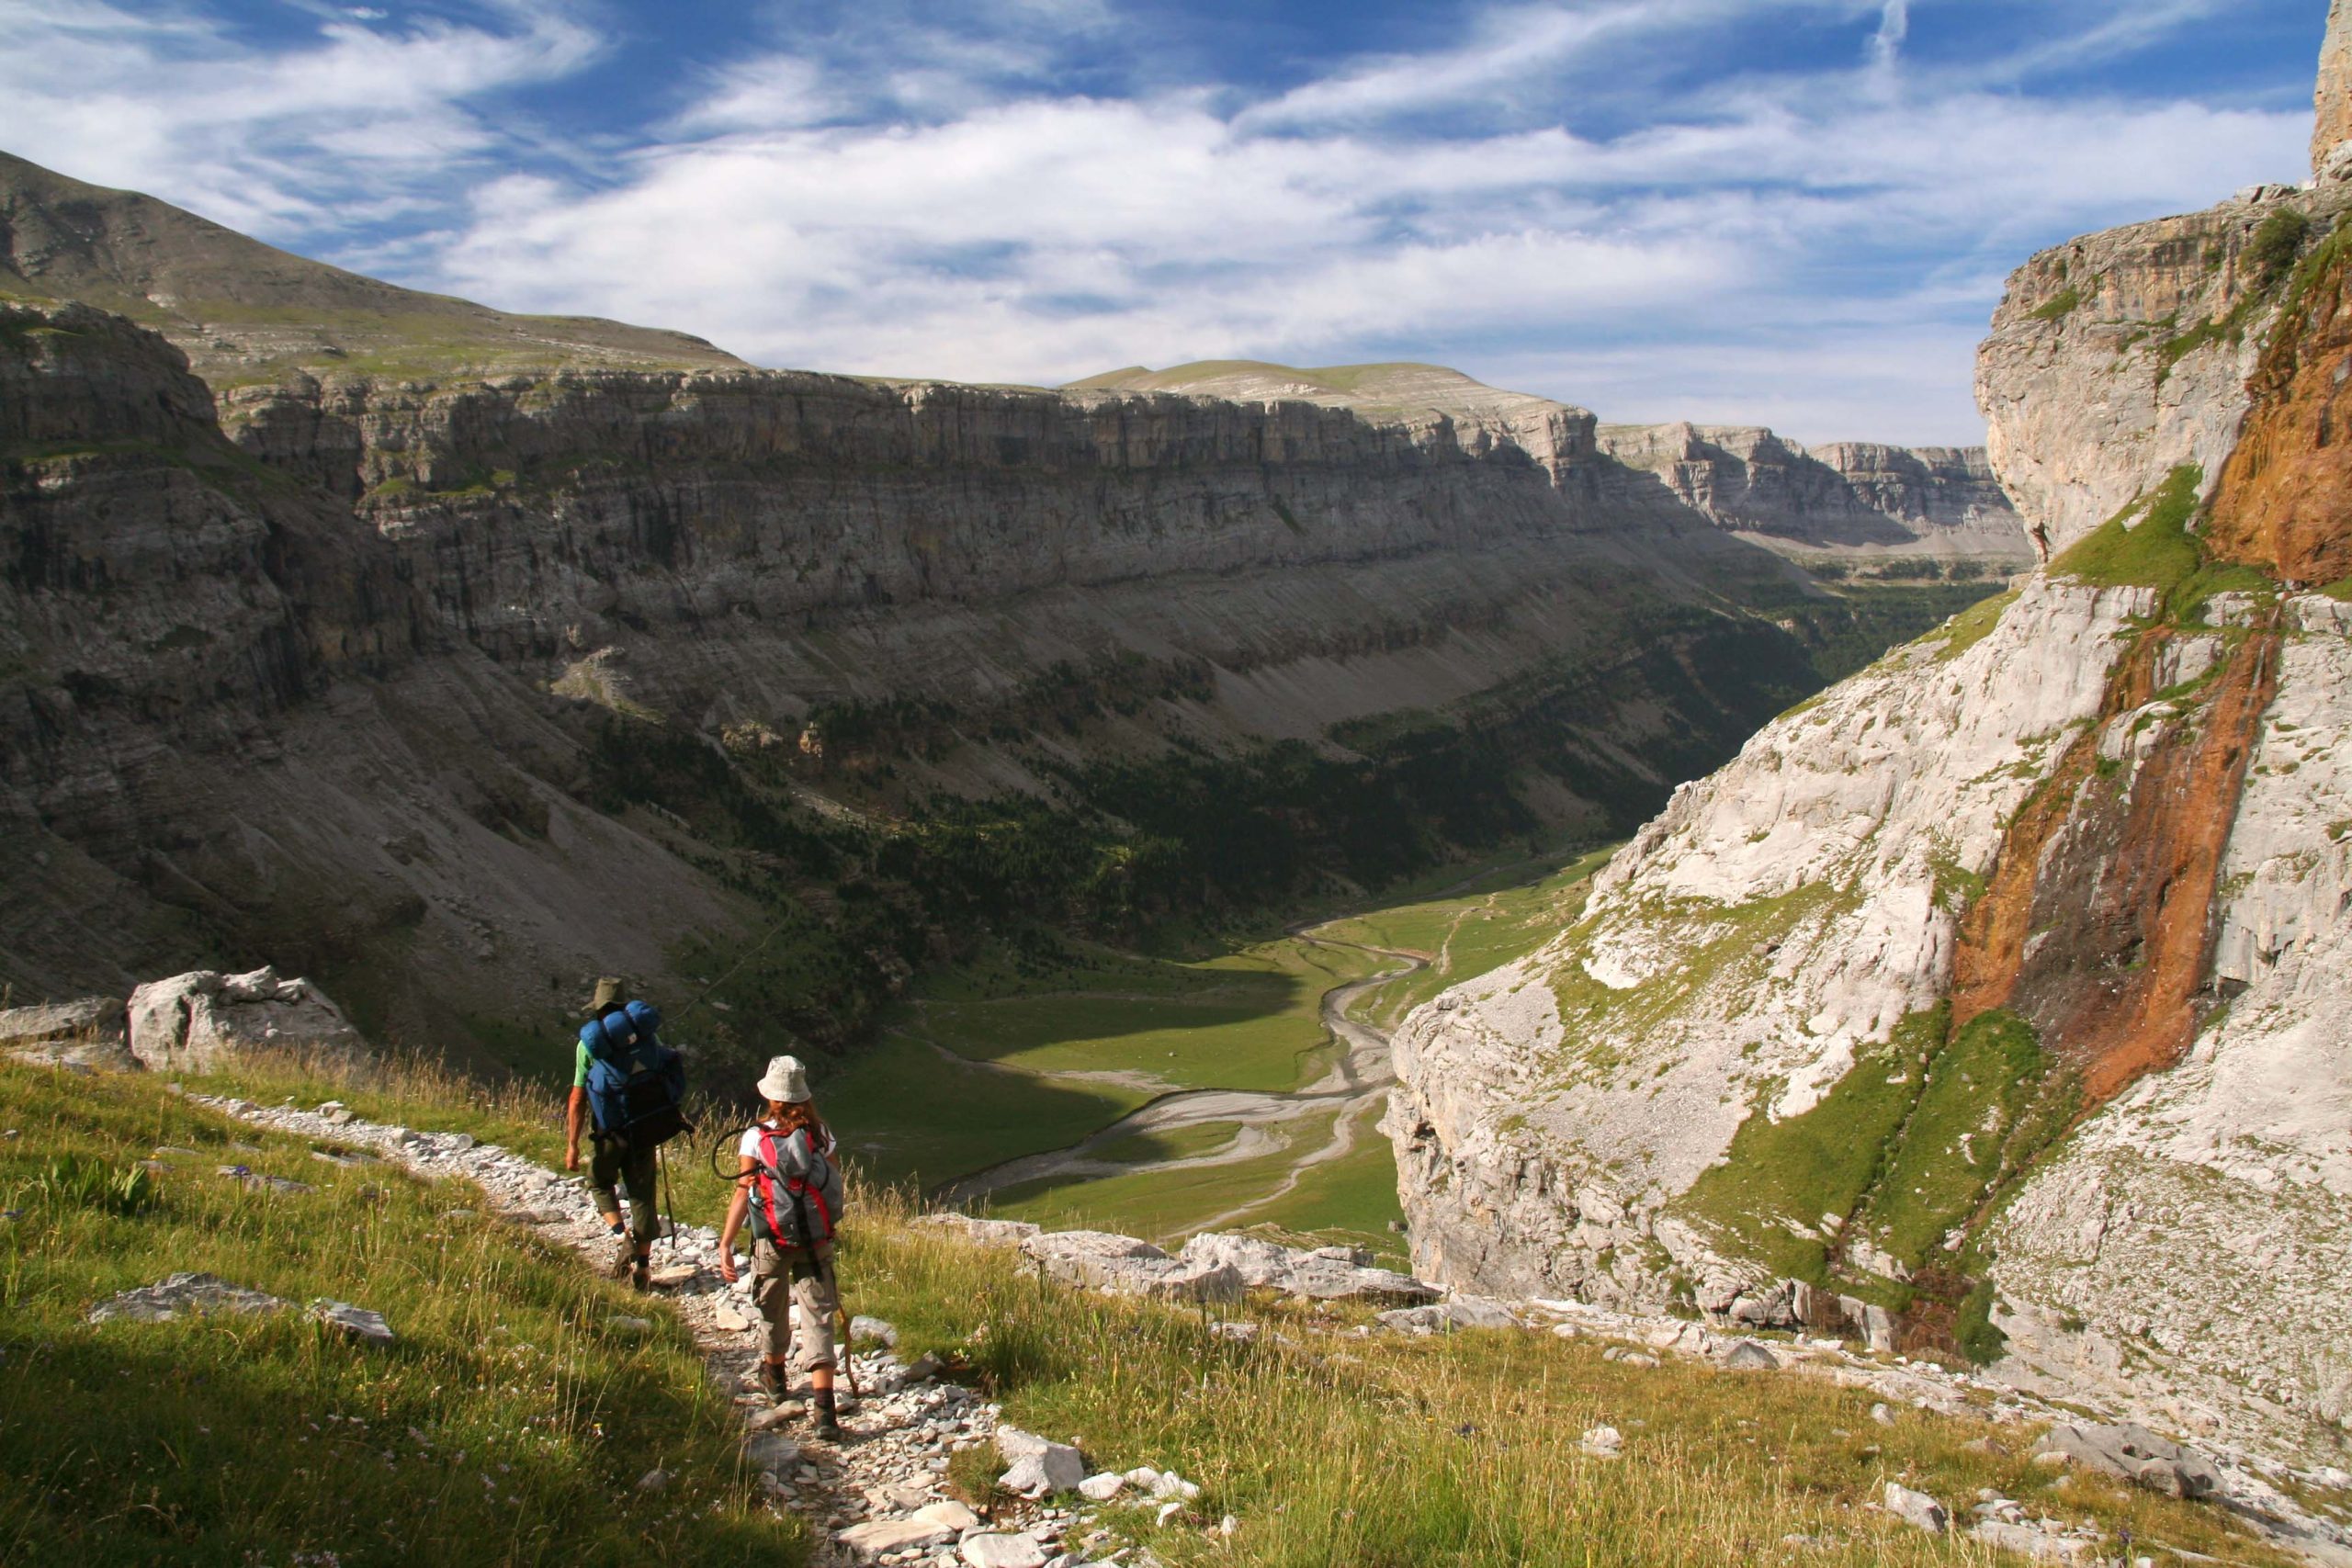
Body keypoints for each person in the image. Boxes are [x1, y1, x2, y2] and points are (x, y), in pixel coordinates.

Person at [718, 1054, 847, 1439]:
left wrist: (726, 1243)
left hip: (771, 1239)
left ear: (771, 1096)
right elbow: (835, 1184)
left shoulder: (756, 1137)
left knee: (772, 1305)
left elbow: (743, 1191)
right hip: (816, 1239)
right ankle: (825, 1411)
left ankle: (775, 1380)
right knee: (818, 1313)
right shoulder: (821, 1134)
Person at [564, 976, 660, 1291]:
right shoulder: (647, 1038)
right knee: (642, 1194)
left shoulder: (588, 1045)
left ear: (598, 1009)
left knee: (600, 1181)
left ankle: (623, 1237)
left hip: (608, 1131)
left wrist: (572, 1146)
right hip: (644, 1128)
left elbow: (577, 1097)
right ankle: (643, 1267)